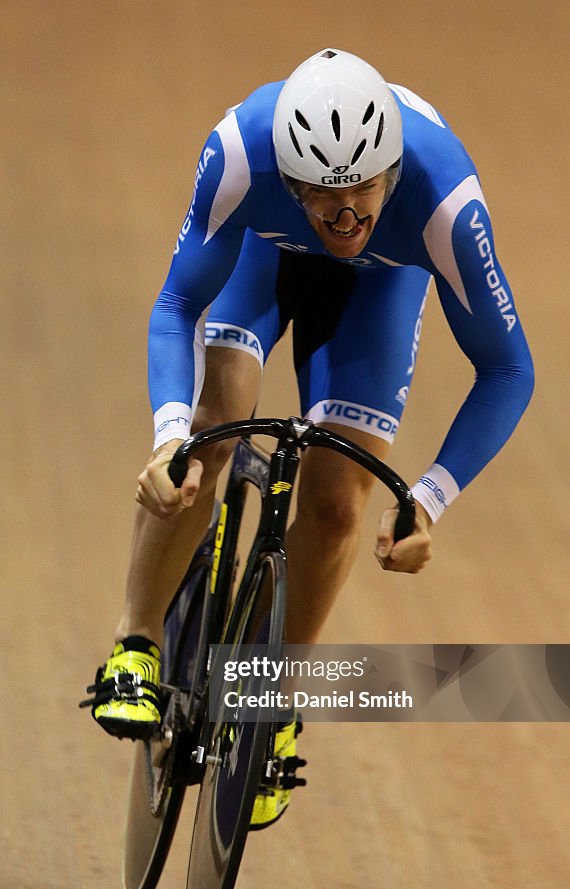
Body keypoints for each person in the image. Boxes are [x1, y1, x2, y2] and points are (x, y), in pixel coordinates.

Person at [82, 49, 534, 826]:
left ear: (392, 168)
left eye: (363, 188)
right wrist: (166, 440)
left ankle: (274, 699)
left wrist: (426, 500)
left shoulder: (443, 202)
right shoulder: (239, 153)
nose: (347, 213)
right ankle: (137, 644)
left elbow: (506, 370)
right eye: (323, 196)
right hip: (257, 263)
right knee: (211, 435)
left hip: (379, 291)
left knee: (335, 510)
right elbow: (177, 307)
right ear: (287, 178)